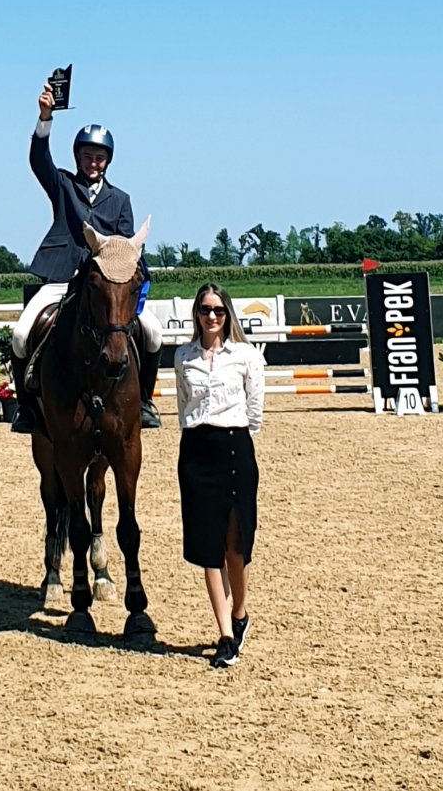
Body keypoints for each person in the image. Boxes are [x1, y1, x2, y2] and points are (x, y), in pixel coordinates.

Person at [8, 81, 163, 434]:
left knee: (153, 333)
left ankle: (144, 401)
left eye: (100, 157)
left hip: (106, 287)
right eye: (88, 156)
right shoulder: (63, 185)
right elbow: (38, 161)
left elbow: (126, 247)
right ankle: (26, 408)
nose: (94, 162)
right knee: (20, 335)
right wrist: (44, 118)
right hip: (61, 278)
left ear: (108, 161)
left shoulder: (120, 200)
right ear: (78, 157)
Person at [174, 282, 264, 668]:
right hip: (197, 451)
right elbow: (183, 404)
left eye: (218, 310)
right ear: (196, 314)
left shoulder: (245, 355)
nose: (211, 316)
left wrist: (235, 434)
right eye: (205, 310)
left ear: (227, 314)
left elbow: (255, 409)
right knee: (208, 547)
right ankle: (225, 635)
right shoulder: (183, 356)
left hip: (234, 448)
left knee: (235, 546)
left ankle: (240, 613)